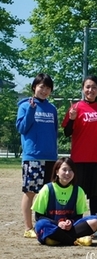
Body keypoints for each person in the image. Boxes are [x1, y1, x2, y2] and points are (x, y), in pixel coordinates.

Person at [16, 73, 58, 238]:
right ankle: (28, 228)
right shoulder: (25, 105)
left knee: (47, 193)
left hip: (50, 158)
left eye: (48, 88)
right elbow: (22, 128)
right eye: (41, 87)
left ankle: (44, 224)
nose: (44, 90)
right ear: (34, 87)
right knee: (30, 192)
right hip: (33, 157)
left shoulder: (52, 108)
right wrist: (31, 111)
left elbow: (54, 132)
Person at [61, 75, 97, 215]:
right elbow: (66, 132)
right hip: (79, 159)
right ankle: (78, 222)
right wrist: (71, 119)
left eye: (94, 87)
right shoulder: (75, 107)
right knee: (78, 193)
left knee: (95, 195)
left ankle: (94, 222)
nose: (90, 90)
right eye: (87, 87)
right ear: (83, 89)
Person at [32, 157, 97, 246]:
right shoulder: (47, 189)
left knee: (95, 220)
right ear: (57, 171)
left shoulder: (79, 191)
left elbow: (79, 216)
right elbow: (38, 217)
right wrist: (58, 223)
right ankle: (74, 240)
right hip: (53, 226)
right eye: (64, 170)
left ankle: (57, 239)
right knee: (41, 225)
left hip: (70, 228)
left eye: (71, 170)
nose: (67, 173)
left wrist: (70, 223)